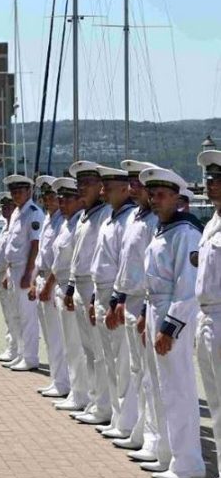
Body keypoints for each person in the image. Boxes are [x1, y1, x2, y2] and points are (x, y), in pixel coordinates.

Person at [137, 166, 205, 478]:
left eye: (162, 195)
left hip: (172, 313)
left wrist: (169, 328)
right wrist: (145, 314)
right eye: (152, 194)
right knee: (158, 384)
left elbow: (187, 287)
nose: (155, 200)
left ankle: (188, 461)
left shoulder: (186, 233)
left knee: (178, 388)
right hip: (156, 307)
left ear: (178, 199)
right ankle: (166, 452)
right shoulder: (163, 229)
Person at [111, 160, 160, 455]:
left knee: (148, 375)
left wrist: (143, 311)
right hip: (129, 299)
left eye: (139, 184)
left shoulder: (154, 221)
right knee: (135, 369)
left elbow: (151, 270)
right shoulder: (134, 218)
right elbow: (125, 263)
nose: (134, 189)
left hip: (146, 301)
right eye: (131, 183)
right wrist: (118, 298)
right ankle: (138, 430)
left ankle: (151, 438)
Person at [89, 165, 138, 440]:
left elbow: (125, 264)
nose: (104, 191)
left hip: (116, 293)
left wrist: (117, 300)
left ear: (124, 189)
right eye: (103, 186)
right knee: (109, 358)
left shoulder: (129, 218)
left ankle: (127, 422)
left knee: (122, 362)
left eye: (109, 187)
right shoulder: (111, 217)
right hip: (102, 290)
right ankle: (117, 417)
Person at [63, 161, 112, 426]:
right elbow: (78, 255)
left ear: (100, 187)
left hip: (94, 287)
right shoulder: (84, 216)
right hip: (80, 286)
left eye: (88, 183)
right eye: (80, 183)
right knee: (88, 350)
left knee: (100, 352)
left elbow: (100, 259)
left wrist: (93, 295)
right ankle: (93, 401)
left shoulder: (104, 215)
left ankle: (103, 406)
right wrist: (71, 285)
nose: (82, 188)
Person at [188, 149, 221, 478]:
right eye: (209, 179)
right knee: (216, 406)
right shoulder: (212, 222)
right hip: (207, 317)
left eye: (218, 179)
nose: (211, 184)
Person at [48, 178, 90, 413]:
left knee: (77, 346)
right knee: (69, 344)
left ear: (79, 201)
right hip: (62, 288)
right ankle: (75, 391)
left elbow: (76, 262)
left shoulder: (78, 225)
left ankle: (81, 394)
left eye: (67, 199)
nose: (61, 203)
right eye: (60, 199)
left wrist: (69, 290)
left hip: (72, 289)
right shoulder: (67, 224)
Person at [30, 176, 68, 396]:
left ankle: (63, 383)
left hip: (54, 282)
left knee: (58, 337)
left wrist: (48, 285)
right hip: (43, 279)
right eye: (45, 196)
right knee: (50, 336)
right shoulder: (47, 219)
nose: (48, 200)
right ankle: (56, 379)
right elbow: (41, 255)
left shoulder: (63, 221)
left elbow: (59, 260)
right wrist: (34, 281)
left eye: (52, 196)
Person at [1, 174, 43, 372]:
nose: (16, 195)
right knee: (15, 315)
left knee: (27, 317)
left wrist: (29, 274)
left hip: (25, 269)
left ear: (29, 191)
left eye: (19, 191)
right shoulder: (17, 212)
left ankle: (30, 357)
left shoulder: (34, 213)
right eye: (13, 192)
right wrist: (7, 272)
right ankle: (20, 354)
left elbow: (35, 245)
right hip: (13, 269)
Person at [0, 192, 19, 363]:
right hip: (1, 274)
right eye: (3, 206)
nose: (5, 209)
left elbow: (14, 253)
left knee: (13, 314)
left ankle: (14, 350)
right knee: (7, 315)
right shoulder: (6, 226)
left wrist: (8, 272)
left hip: (9, 274)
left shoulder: (16, 226)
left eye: (9, 206)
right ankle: (11, 347)